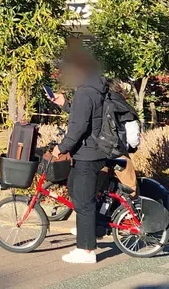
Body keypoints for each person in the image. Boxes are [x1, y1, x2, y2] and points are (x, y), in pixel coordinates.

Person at [49, 47, 108, 265]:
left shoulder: (85, 92)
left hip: (88, 154)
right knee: (75, 188)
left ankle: (86, 250)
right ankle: (91, 227)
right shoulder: (93, 89)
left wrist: (62, 148)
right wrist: (66, 106)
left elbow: (79, 127)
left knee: (83, 201)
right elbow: (85, 117)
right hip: (91, 151)